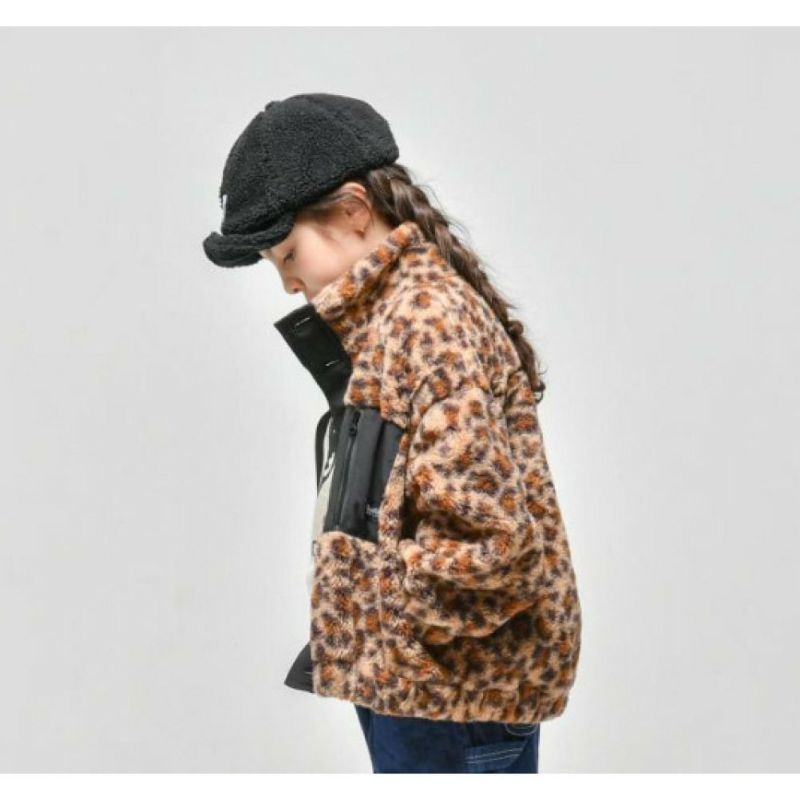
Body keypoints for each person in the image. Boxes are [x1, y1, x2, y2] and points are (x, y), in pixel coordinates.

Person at [201, 93, 582, 774]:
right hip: (423, 691)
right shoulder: (392, 324)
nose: (288, 282)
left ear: (354, 210)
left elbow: (492, 546)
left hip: (453, 701)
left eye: (288, 254)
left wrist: (376, 613)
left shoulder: (428, 324)